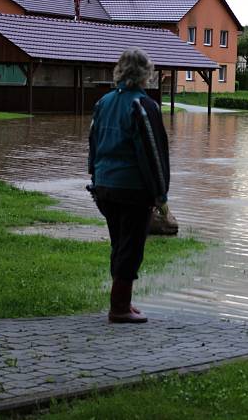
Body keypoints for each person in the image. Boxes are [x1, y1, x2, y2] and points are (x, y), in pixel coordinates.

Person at [87, 48, 170, 324]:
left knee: (119, 243)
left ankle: (123, 301)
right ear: (147, 74)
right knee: (131, 248)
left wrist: (95, 179)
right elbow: (153, 154)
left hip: (105, 187)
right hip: (132, 189)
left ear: (119, 71)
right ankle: (119, 308)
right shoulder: (144, 107)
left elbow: (93, 145)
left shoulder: (104, 102)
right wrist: (160, 194)